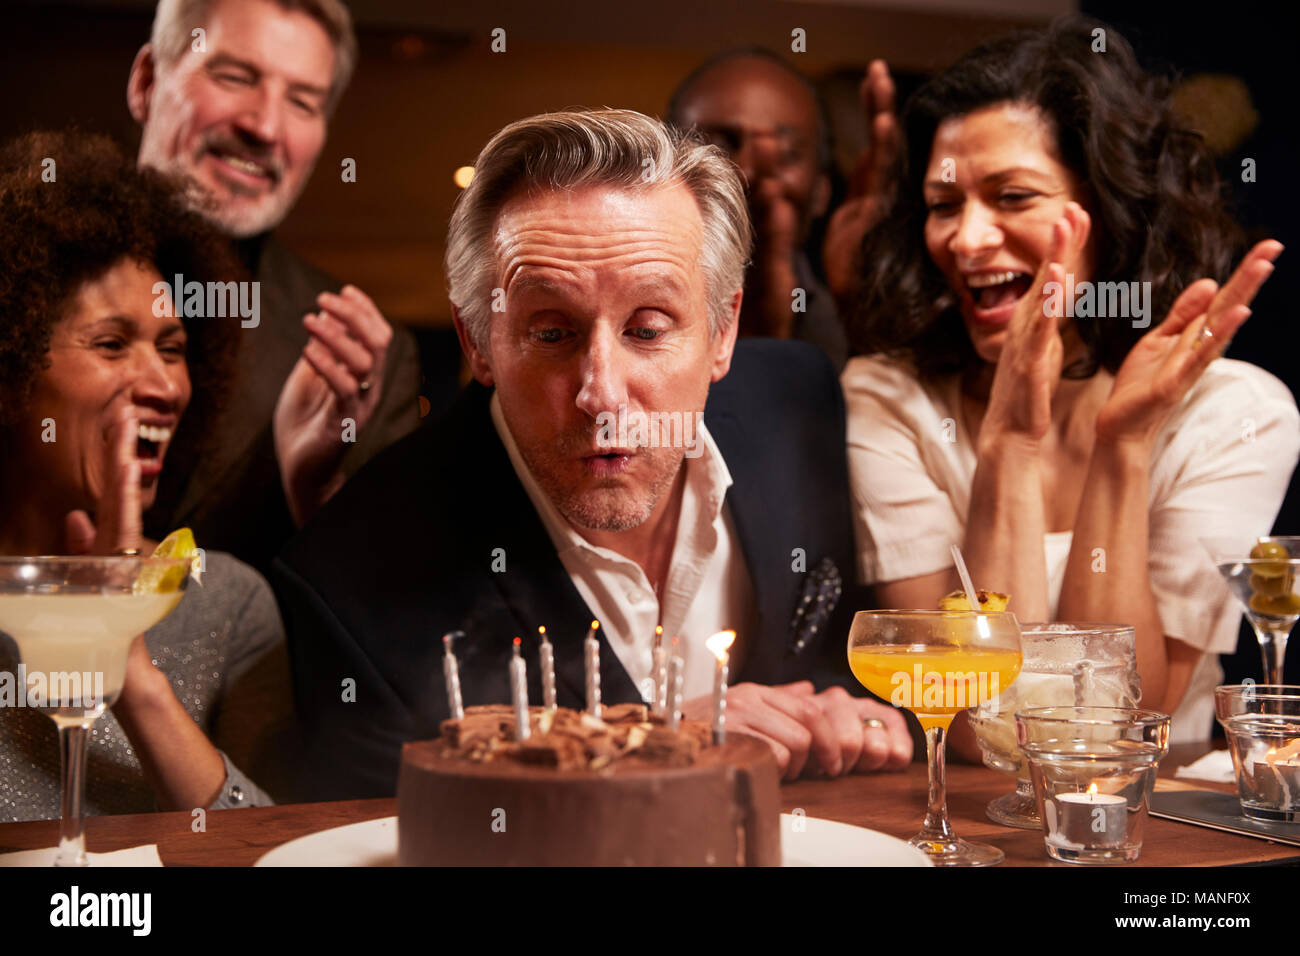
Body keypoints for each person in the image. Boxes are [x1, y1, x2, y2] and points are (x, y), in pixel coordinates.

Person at [271, 109, 914, 800]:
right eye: (551, 333)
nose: (601, 394)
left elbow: (842, 669)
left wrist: (849, 714)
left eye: (647, 328)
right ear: (478, 342)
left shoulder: (800, 403)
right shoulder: (348, 585)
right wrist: (662, 741)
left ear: (723, 331)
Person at [842, 18, 1298, 745]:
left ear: (1112, 212)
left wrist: (1125, 443)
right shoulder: (888, 398)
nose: (965, 238)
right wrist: (1009, 447)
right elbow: (969, 726)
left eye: (1013, 197)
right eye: (943, 205)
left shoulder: (1236, 411)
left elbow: (1115, 724)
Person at [0, 131, 289, 820]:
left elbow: (271, 852)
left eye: (174, 349)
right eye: (111, 344)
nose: (164, 385)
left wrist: (131, 669)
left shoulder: (225, 602)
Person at [126, 0, 423, 572]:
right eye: (234, 77)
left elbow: (384, 614)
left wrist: (315, 490)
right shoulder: (27, 276)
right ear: (146, 82)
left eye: (302, 102)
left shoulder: (368, 361)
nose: (263, 126)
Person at [668, 48, 850, 369]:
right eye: (719, 146)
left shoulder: (850, 336)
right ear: (664, 169)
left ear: (822, 190)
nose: (749, 172)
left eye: (785, 153)